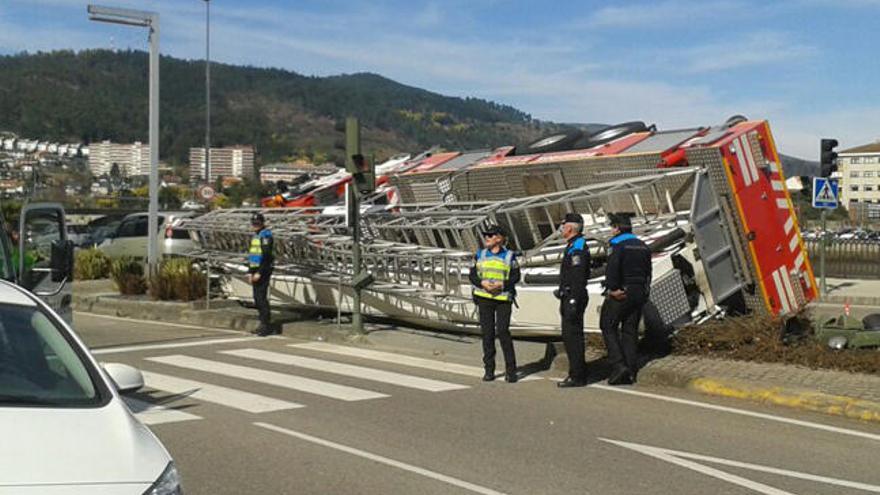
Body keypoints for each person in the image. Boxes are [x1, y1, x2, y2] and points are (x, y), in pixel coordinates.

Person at [600, 213, 652, 385]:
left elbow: (613, 268)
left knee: (607, 325)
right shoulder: (643, 245)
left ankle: (619, 366)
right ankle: (631, 372)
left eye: (612, 227)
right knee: (630, 331)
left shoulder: (616, 244)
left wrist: (612, 289)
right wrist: (644, 292)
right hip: (639, 293)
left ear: (617, 228)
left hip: (622, 292)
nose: (611, 230)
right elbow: (648, 272)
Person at [469, 224, 520, 383]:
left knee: (503, 332)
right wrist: (481, 283)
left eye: (490, 236)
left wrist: (502, 285)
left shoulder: (510, 256)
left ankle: (511, 371)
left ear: (499, 238)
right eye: (486, 236)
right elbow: (472, 275)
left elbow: (516, 276)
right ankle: (489, 370)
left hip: (503, 299)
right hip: (484, 298)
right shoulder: (480, 254)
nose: (487, 238)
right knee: (487, 334)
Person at [555, 213, 591, 388]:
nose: (561, 228)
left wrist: (573, 299)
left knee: (573, 337)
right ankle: (576, 372)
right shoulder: (573, 245)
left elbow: (577, 275)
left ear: (569, 227)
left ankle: (577, 375)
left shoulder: (577, 246)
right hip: (569, 295)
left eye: (563, 225)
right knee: (569, 336)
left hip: (573, 296)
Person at [248, 212, 276, 336]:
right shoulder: (256, 236)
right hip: (255, 270)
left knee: (261, 298)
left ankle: (266, 326)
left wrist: (259, 272)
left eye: (257, 223)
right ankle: (262, 324)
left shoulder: (265, 236)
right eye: (253, 223)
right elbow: (253, 255)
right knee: (257, 299)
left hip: (263, 270)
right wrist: (250, 272)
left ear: (262, 223)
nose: (255, 225)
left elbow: (266, 256)